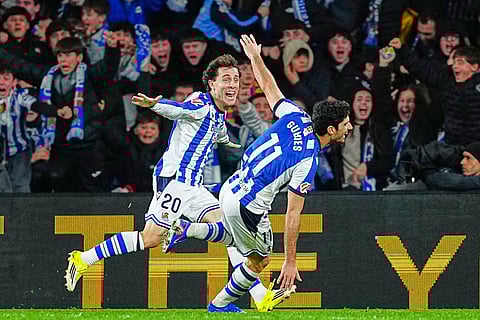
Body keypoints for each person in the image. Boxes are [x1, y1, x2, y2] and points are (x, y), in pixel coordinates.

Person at [163, 34, 353, 313]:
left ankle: (188, 229)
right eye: (345, 124)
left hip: (231, 187)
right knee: (259, 261)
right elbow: (292, 215)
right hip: (249, 207)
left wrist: (255, 58)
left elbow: (269, 87)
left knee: (235, 239)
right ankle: (219, 305)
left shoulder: (296, 115)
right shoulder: (307, 161)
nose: (349, 128)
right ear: (331, 130)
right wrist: (290, 260)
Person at [64, 53, 242, 292]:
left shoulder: (219, 111)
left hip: (193, 185)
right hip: (175, 181)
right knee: (150, 238)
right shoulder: (200, 103)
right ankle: (83, 259)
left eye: (236, 79)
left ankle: (254, 295)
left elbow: (217, 128)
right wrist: (155, 105)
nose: (232, 84)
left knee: (229, 229)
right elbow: (179, 110)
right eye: (226, 79)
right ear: (212, 83)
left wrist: (226, 141)